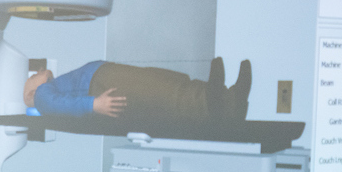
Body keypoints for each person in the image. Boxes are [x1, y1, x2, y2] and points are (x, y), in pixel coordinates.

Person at [23, 57, 252, 126]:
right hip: (101, 85)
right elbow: (57, 106)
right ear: (30, 95)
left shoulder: (50, 88)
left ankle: (230, 100)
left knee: (164, 81)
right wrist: (93, 104)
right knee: (161, 90)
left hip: (102, 79)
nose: (39, 72)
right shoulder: (42, 95)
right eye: (33, 76)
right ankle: (216, 101)